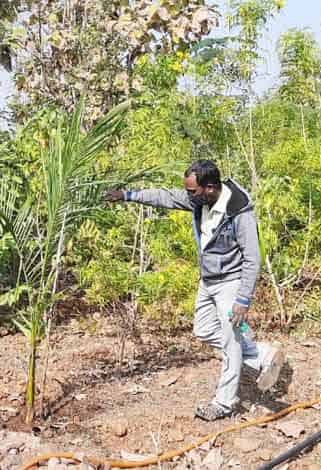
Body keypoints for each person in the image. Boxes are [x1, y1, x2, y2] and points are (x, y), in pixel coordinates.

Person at [104, 159, 285, 421]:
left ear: (209, 188)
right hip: (208, 280)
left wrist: (243, 299)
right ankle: (262, 354)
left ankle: (224, 403)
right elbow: (164, 197)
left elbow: (252, 258)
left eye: (191, 191)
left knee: (231, 344)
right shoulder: (199, 200)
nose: (187, 195)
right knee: (203, 330)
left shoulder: (238, 212)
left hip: (231, 283)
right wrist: (127, 195)